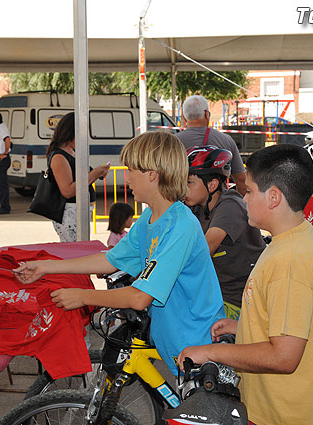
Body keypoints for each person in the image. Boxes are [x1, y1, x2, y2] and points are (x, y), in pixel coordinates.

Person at [14, 131, 225, 376]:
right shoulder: (151, 216)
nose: (126, 179)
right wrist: (46, 266)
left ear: (152, 175)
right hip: (178, 342)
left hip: (198, 346)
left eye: (130, 171)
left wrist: (83, 297)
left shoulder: (180, 225)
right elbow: (111, 259)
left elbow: (139, 297)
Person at [178, 143, 313, 425]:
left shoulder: (289, 258)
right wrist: (244, 326)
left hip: (291, 415)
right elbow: (293, 321)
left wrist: (210, 352)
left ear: (274, 197)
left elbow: (284, 356)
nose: (243, 199)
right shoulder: (303, 236)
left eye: (250, 191)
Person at [183, 145, 264, 319]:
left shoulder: (230, 205)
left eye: (189, 182)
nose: (183, 189)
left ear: (212, 185)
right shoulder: (196, 206)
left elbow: (205, 248)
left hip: (238, 301)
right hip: (214, 293)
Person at [46, 113, 109, 242]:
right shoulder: (59, 156)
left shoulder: (72, 152)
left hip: (79, 211)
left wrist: (98, 174)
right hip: (69, 212)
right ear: (70, 133)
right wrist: (94, 174)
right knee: (75, 252)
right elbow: (67, 191)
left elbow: (80, 181)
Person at [176, 95, 246, 195]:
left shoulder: (173, 142)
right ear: (206, 114)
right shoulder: (226, 140)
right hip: (218, 204)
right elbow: (241, 181)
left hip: (182, 203)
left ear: (183, 116)